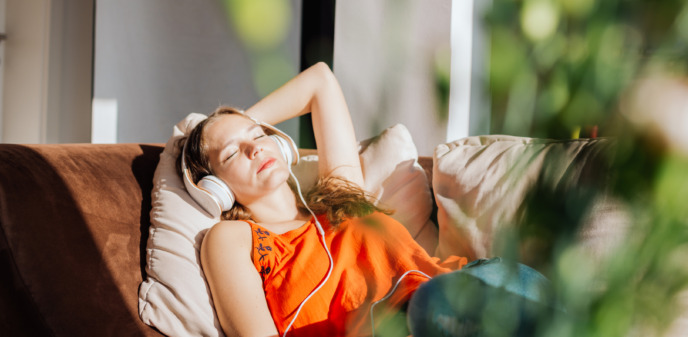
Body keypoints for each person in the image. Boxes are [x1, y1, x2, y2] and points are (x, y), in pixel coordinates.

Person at [180, 62, 554, 337]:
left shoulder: (339, 197)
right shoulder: (233, 238)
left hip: (469, 287)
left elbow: (321, 82)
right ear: (215, 188)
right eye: (231, 154)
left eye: (258, 137)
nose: (253, 149)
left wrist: (241, 122)